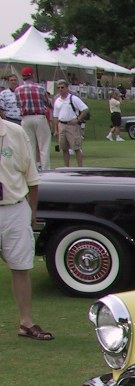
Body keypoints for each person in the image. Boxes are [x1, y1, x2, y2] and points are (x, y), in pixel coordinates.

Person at [0, 114, 52, 340]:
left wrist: (32, 212)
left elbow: (32, 177)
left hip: (14, 207)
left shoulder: (15, 132)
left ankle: (26, 323)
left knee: (20, 266)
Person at [15, 67, 51, 170]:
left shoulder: (18, 90)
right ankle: (45, 169)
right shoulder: (40, 88)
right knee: (44, 145)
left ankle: (33, 169)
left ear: (23, 77)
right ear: (32, 75)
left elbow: (18, 104)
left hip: (26, 118)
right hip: (39, 116)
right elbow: (47, 102)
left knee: (30, 145)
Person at [51, 80, 89, 168]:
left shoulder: (73, 98)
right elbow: (56, 116)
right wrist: (56, 129)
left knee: (76, 147)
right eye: (59, 88)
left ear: (67, 88)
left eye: (62, 87)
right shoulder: (57, 100)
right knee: (64, 148)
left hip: (72, 125)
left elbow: (85, 109)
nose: (60, 89)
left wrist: (78, 119)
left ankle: (80, 167)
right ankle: (66, 167)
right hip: (61, 125)